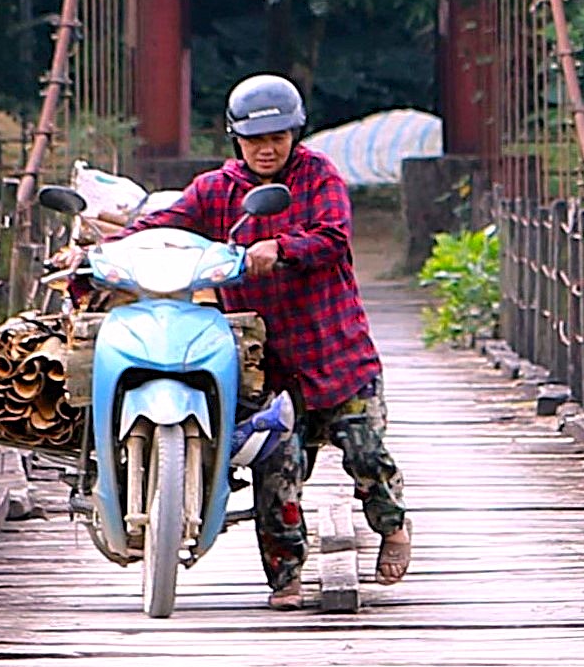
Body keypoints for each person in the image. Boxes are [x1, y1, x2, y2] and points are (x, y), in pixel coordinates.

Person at [160, 74, 413, 608]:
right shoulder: (215, 191)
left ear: (295, 134)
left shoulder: (318, 176)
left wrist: (282, 246)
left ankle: (392, 526)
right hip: (267, 364)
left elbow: (332, 235)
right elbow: (167, 223)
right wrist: (102, 248)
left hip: (335, 351)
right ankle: (285, 578)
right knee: (276, 470)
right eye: (255, 139)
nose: (267, 148)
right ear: (236, 140)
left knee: (366, 454)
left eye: (278, 137)